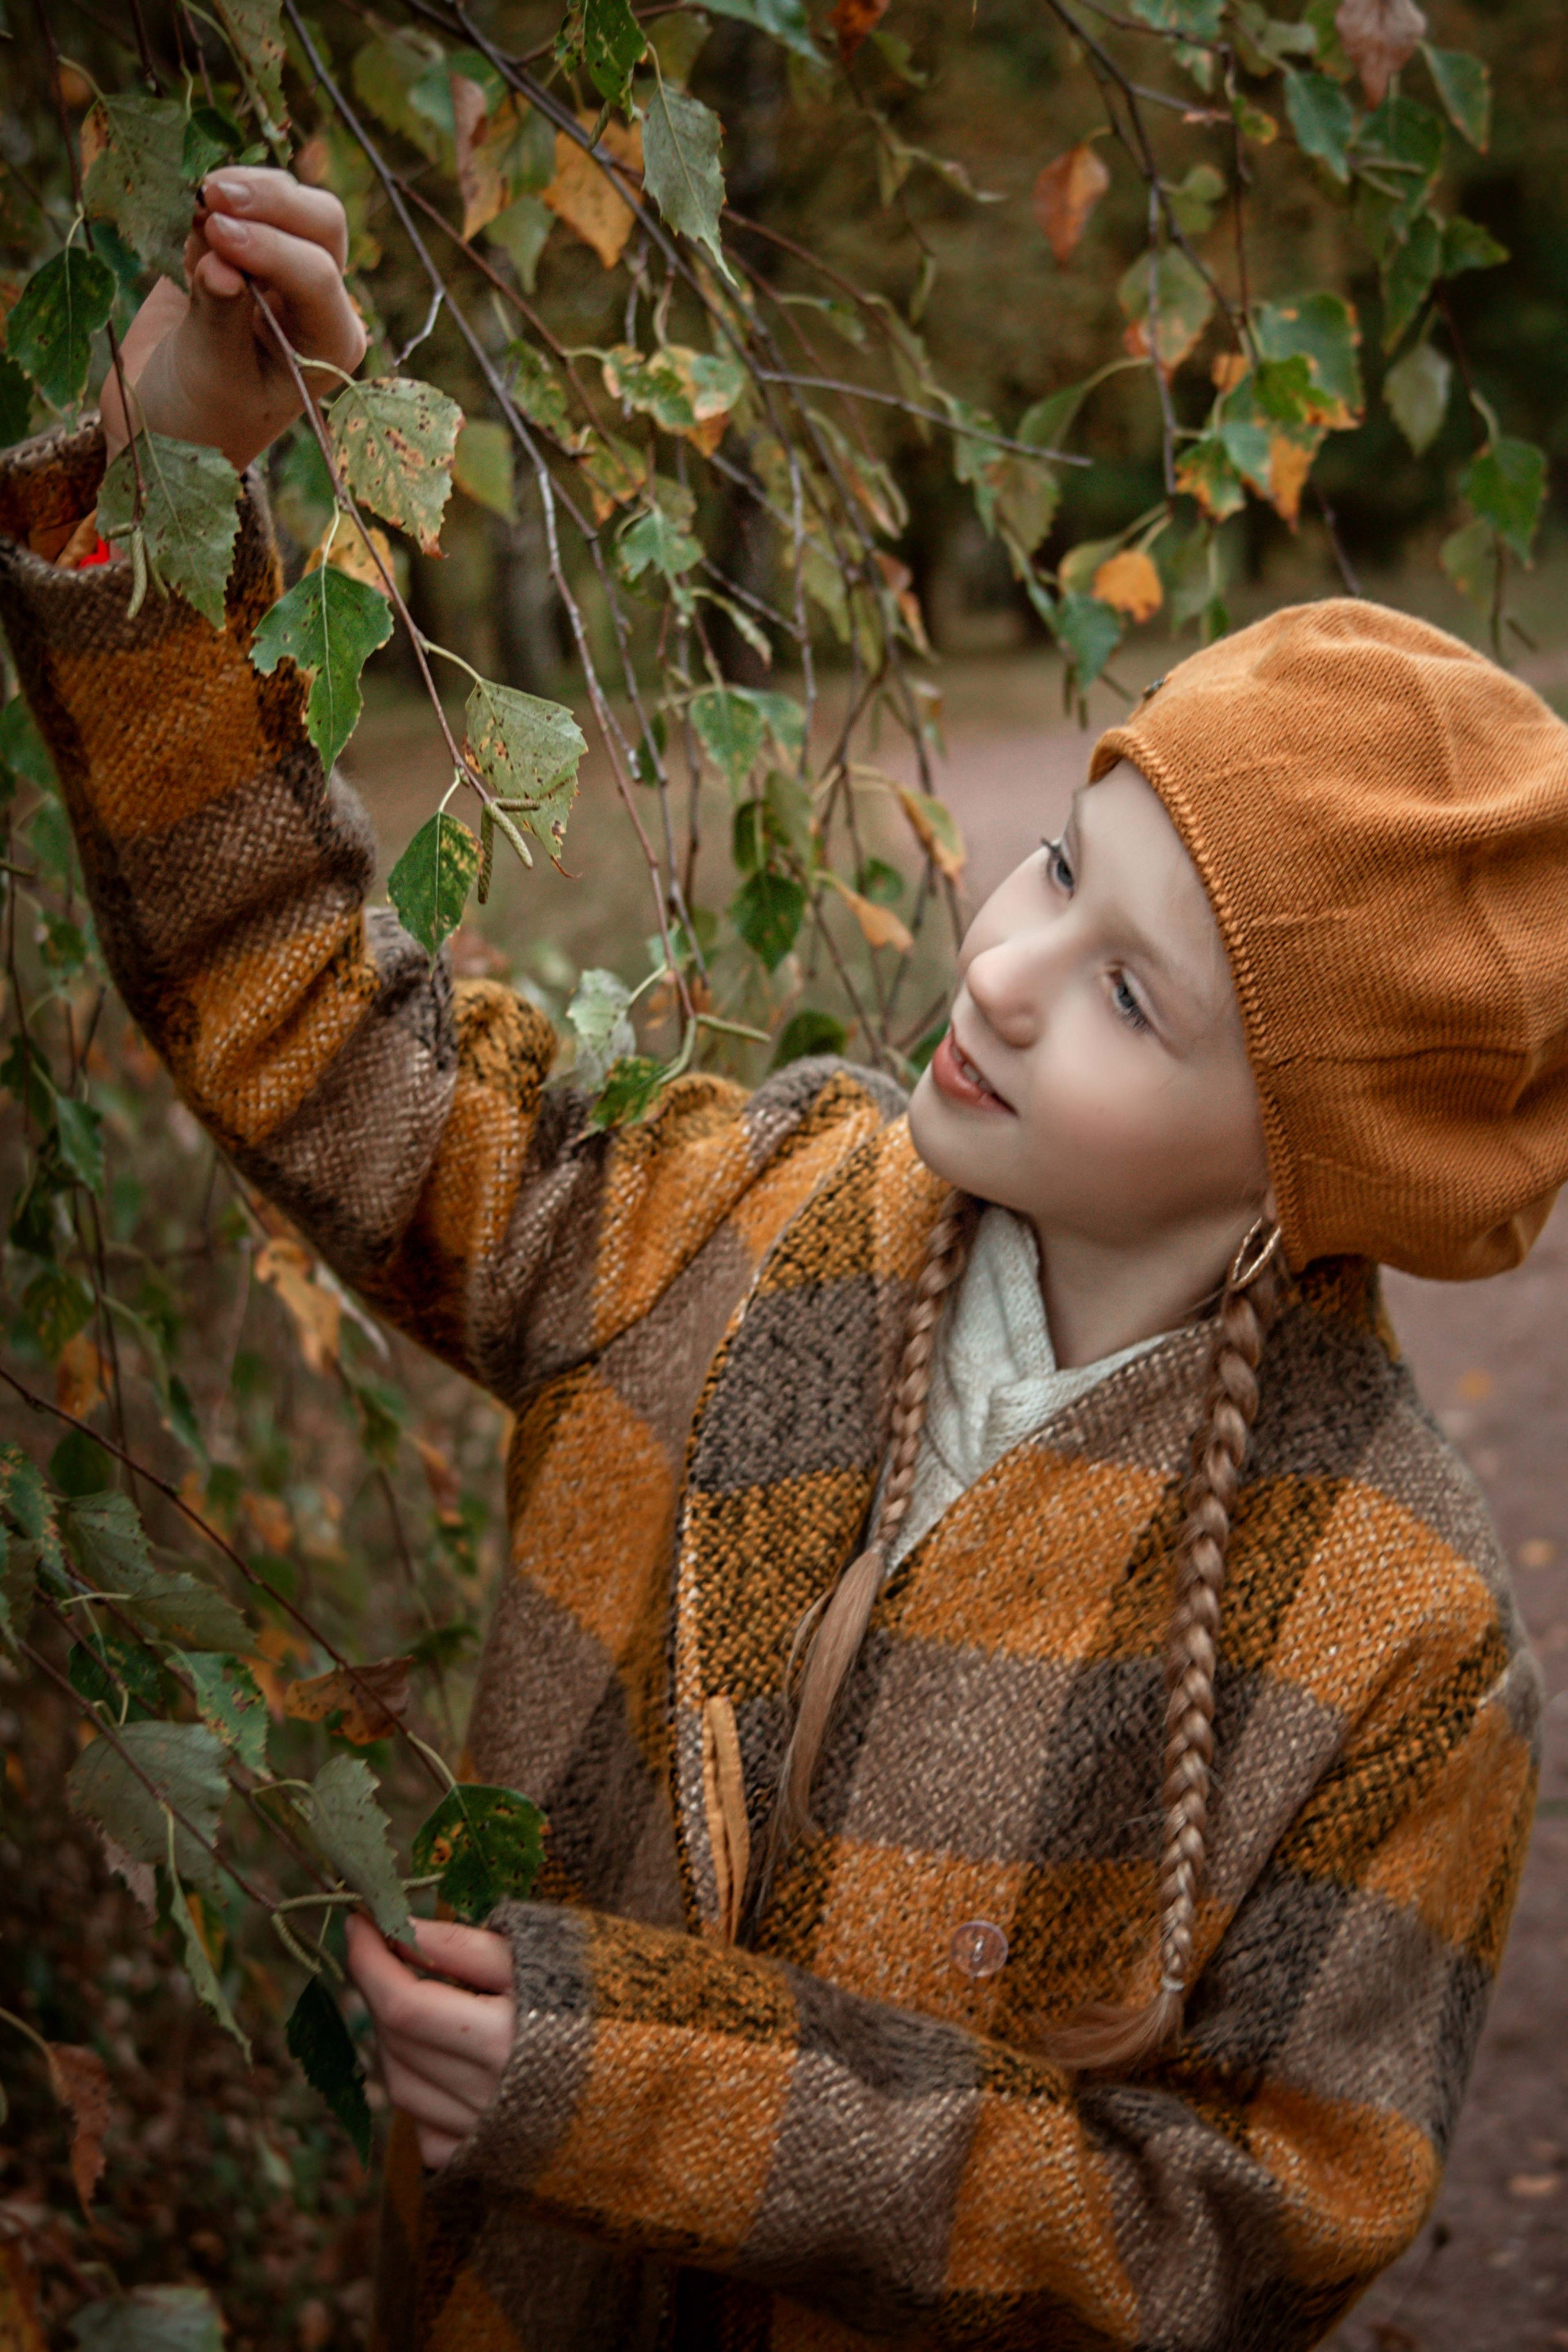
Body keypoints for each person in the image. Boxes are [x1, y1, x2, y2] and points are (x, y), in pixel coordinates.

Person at [1, 170, 1561, 2352]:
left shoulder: (1393, 1640)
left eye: (1134, 995)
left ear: (1316, 1166)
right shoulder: (729, 1211)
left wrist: (634, 2090)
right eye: (1051, 866)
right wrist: (169, 491)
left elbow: (1218, 2236)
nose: (1006, 969)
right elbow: (311, 1023)